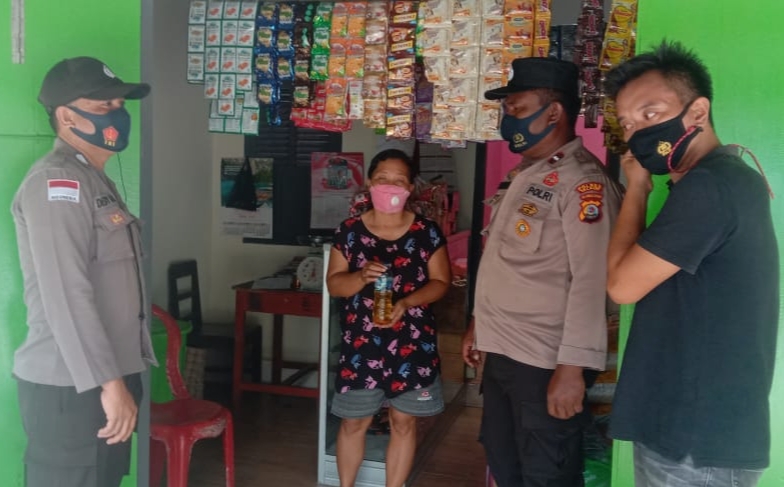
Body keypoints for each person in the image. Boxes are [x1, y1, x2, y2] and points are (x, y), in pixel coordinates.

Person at [605, 41, 779, 487]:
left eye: (650, 113)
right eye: (628, 123)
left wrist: (637, 188)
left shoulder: (710, 187)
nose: (637, 132)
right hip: (690, 434)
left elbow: (622, 285)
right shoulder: (723, 180)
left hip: (695, 445)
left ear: (698, 112)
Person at [461, 57, 623, 487]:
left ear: (553, 113)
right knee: (504, 463)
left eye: (516, 107)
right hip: (502, 352)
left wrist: (573, 368)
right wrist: (479, 323)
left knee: (546, 472)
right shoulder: (524, 174)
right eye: (506, 109)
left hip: (545, 361)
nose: (507, 117)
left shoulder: (583, 184)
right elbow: (505, 263)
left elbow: (592, 281)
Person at [11, 56, 155, 487]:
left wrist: (118, 381)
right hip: (74, 386)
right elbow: (67, 294)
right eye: (102, 105)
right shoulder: (58, 182)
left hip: (105, 378)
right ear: (67, 116)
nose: (117, 114)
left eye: (119, 104)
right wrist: (110, 386)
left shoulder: (92, 179)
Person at [326, 149, 451, 487]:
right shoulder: (349, 232)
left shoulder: (426, 232)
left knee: (404, 423)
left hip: (413, 343)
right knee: (353, 422)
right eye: (383, 179)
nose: (390, 186)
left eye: (399, 181)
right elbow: (335, 285)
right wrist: (360, 276)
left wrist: (406, 303)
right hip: (361, 345)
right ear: (370, 183)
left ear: (410, 188)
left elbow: (441, 282)